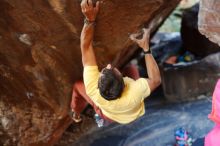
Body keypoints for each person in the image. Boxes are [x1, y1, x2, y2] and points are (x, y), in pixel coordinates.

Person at [71, 0, 161, 124]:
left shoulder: (92, 89)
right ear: (125, 84)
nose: (108, 65)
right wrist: (146, 49)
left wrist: (89, 19)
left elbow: (85, 47)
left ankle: (75, 112)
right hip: (129, 112)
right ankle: (77, 113)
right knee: (131, 68)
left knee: (77, 85)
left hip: (108, 115)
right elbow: (156, 80)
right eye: (112, 69)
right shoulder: (135, 92)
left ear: (98, 85)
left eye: (105, 70)